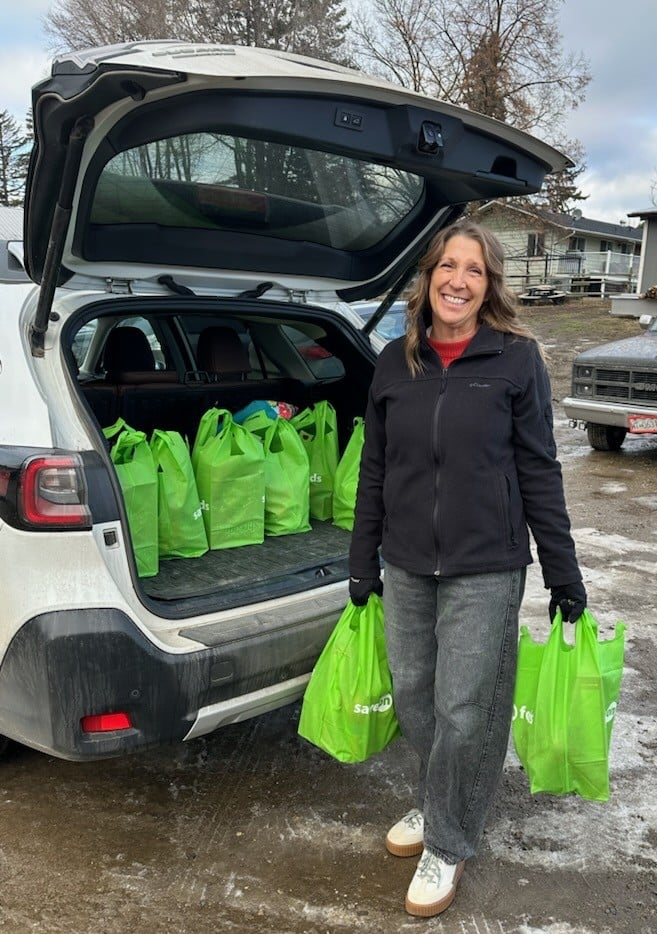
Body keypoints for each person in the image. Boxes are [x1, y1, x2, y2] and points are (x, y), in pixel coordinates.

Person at [348, 220, 586, 918]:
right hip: (407, 562)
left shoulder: (515, 359)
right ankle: (437, 800)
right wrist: (362, 559)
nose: (457, 280)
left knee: (465, 710)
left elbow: (539, 468)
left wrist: (562, 571)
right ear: (427, 277)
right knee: (416, 696)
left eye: (473, 270)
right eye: (447, 266)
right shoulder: (395, 361)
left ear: (490, 285)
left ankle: (448, 839)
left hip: (486, 563)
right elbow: (373, 469)